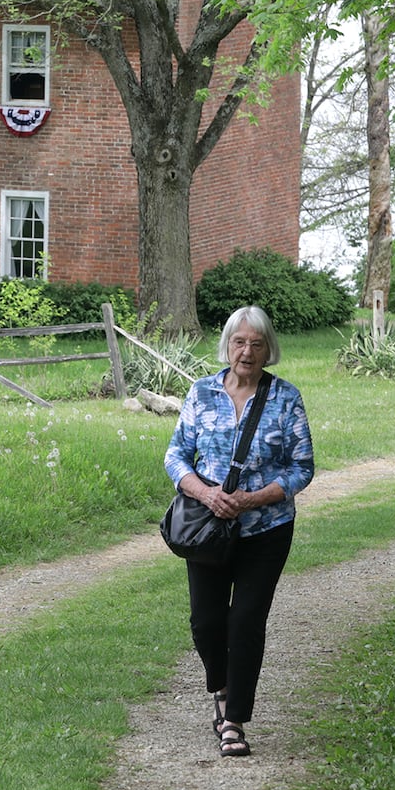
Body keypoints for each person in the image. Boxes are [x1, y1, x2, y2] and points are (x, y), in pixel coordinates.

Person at [164, 306, 315, 758]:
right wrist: (207, 495)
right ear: (227, 345)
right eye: (239, 342)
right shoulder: (201, 391)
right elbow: (176, 456)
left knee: (245, 622)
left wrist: (251, 499)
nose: (246, 351)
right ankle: (221, 687)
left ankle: (234, 720)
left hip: (266, 529)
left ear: (269, 350)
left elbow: (301, 468)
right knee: (206, 621)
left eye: (256, 343)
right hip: (207, 529)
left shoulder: (286, 398)